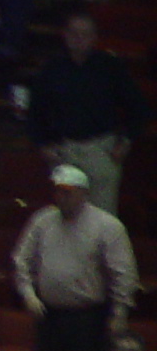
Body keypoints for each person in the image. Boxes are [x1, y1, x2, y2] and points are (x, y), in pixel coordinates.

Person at [13, 163, 137, 351]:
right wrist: (28, 295)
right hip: (49, 316)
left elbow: (124, 275)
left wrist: (120, 312)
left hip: (87, 319)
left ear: (84, 194)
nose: (61, 197)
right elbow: (21, 260)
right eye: (58, 191)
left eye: (67, 192)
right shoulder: (42, 220)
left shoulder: (107, 226)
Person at [31, 11, 149, 213]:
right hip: (64, 150)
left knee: (102, 219)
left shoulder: (111, 67)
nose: (78, 38)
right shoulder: (52, 69)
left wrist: (126, 141)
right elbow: (36, 110)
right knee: (66, 219)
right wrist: (42, 144)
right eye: (73, 32)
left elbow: (138, 107)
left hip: (101, 150)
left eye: (85, 33)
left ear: (94, 38)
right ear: (65, 35)